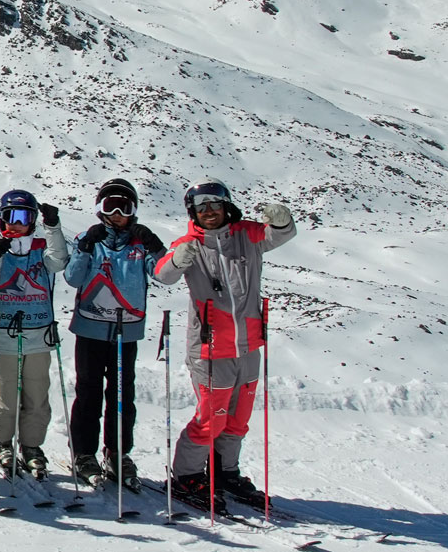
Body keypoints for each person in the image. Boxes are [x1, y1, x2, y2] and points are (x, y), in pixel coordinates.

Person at [153, 180, 296, 511]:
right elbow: (163, 274)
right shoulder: (189, 243)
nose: (209, 212)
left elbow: (281, 235)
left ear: (226, 206)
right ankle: (186, 476)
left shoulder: (246, 235)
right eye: (201, 207)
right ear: (193, 212)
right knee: (210, 419)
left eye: (214, 205)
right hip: (210, 348)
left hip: (248, 346)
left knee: (238, 419)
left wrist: (281, 221)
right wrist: (177, 259)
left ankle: (224, 472)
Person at [63, 177, 167, 487]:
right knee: (88, 393)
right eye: (111, 206)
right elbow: (72, 277)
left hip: (126, 332)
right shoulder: (89, 239)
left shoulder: (140, 244)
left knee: (123, 396)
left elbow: (164, 275)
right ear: (100, 209)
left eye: (125, 207)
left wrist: (156, 247)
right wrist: (83, 248)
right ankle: (84, 453)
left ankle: (118, 452)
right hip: (90, 328)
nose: (118, 213)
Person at [0, 189, 67, 479]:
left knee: (37, 394)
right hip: (5, 332)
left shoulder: (42, 247)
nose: (15, 224)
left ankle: (31, 446)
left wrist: (53, 227)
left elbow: (58, 262)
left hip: (39, 332)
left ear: (32, 221)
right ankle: (2, 441)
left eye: (23, 217)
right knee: (5, 394)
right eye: (9, 216)